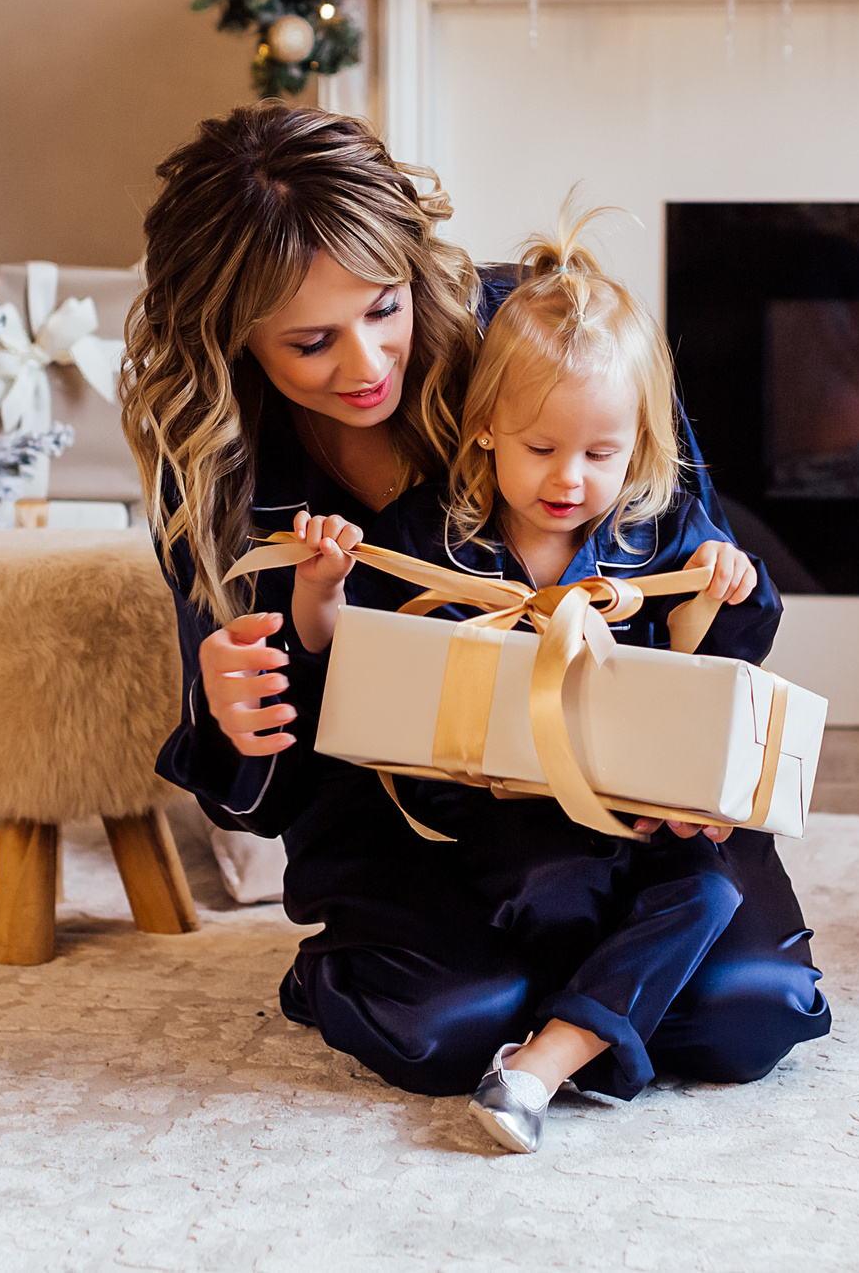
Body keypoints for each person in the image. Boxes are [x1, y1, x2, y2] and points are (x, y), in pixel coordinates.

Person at [121, 103, 830, 1148]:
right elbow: (255, 799)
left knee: (748, 1014)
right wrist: (233, 715)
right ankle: (506, 990)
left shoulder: (550, 332)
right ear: (233, 336)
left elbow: (691, 568)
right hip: (404, 816)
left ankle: (560, 1001)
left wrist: (693, 764)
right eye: (310, 341)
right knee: (445, 1030)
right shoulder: (220, 472)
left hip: (621, 797)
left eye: (385, 306)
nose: (366, 362)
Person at [283, 208, 795, 1153]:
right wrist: (320, 588)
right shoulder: (426, 531)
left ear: (638, 443)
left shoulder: (658, 536)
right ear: (485, 430)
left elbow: (721, 666)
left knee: (710, 894)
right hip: (495, 817)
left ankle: (539, 1063)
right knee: (555, 892)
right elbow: (344, 658)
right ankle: (575, 1020)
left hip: (634, 816)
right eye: (541, 448)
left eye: (601, 454)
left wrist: (727, 582)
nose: (570, 479)